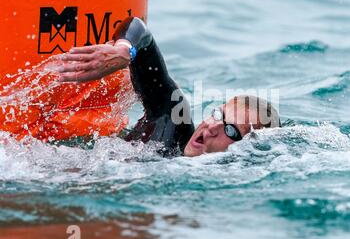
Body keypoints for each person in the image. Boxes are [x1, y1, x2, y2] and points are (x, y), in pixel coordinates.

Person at [57, 17, 280, 156]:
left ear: (245, 150)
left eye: (231, 130)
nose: (212, 127)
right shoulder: (172, 119)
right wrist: (124, 51)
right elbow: (140, 32)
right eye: (217, 114)